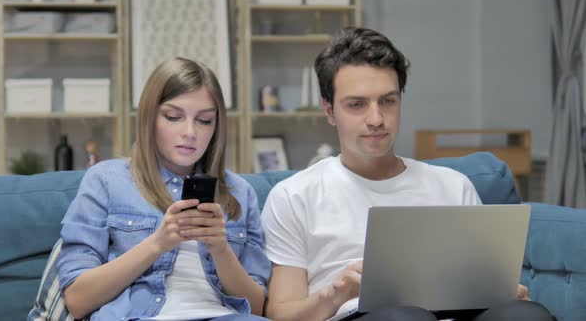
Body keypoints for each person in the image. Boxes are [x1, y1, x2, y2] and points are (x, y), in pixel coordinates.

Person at [260, 27, 556, 321]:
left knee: (526, 314)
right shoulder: (294, 196)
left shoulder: (454, 186)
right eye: (356, 105)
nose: (376, 119)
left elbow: (486, 286)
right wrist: (336, 293)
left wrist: (504, 293)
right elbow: (280, 312)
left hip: (455, 316)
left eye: (387, 101)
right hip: (360, 316)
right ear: (329, 111)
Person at [57, 57, 271, 321]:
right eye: (173, 116)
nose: (190, 132)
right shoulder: (106, 180)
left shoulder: (240, 192)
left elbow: (257, 306)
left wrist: (220, 248)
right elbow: (78, 300)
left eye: (204, 120)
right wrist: (159, 242)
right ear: (150, 118)